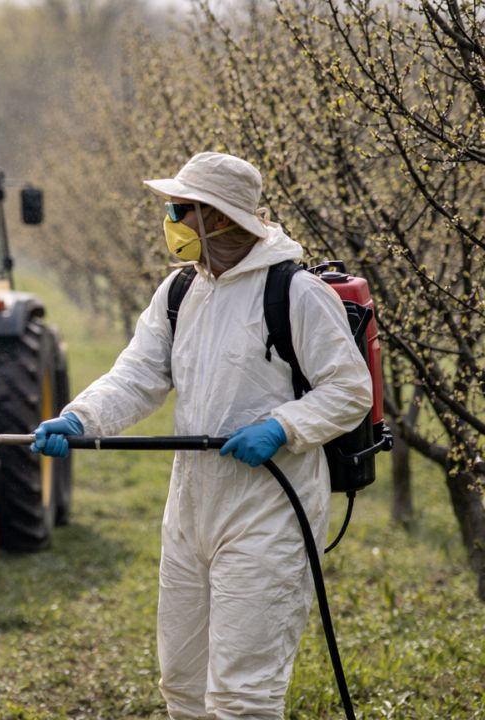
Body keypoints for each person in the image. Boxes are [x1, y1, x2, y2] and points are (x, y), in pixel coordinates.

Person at [32, 152, 371, 719]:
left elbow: (349, 389)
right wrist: (80, 418)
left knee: (243, 695)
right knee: (184, 685)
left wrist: (282, 426)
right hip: (191, 511)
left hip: (269, 512)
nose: (169, 221)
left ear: (215, 217)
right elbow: (138, 376)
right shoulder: (179, 292)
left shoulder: (294, 292)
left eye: (178, 209)